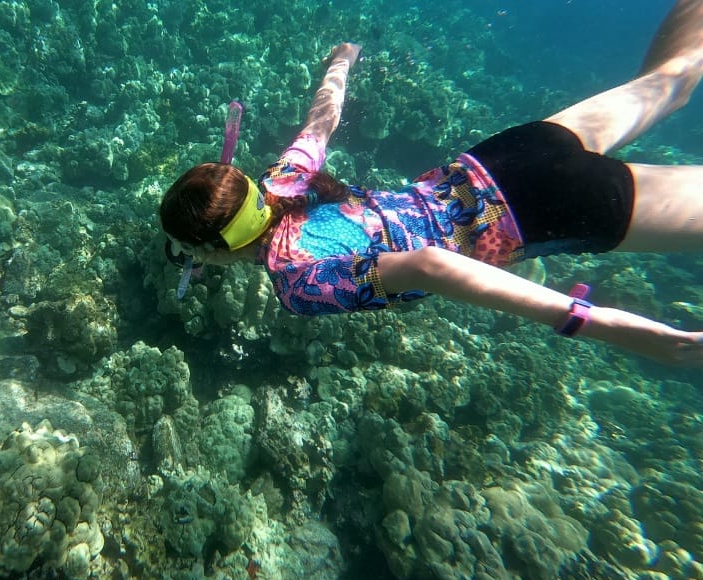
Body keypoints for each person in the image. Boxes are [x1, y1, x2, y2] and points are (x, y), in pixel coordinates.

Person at [159, 0, 703, 367]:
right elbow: (320, 122)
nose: (180, 255)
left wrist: (588, 321)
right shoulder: (282, 184)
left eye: (185, 248)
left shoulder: (297, 285)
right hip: (503, 157)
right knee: (672, 80)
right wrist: (341, 62)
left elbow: (430, 266)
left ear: (215, 247)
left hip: (541, 212)